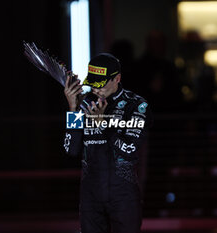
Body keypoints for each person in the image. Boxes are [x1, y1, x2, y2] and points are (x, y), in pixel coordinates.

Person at [63, 53, 151, 233]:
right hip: (91, 195)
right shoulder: (85, 104)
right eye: (92, 84)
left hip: (123, 194)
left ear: (117, 78)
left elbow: (129, 149)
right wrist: (72, 109)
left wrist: (103, 125)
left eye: (100, 84)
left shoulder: (136, 105)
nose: (95, 90)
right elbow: (71, 150)